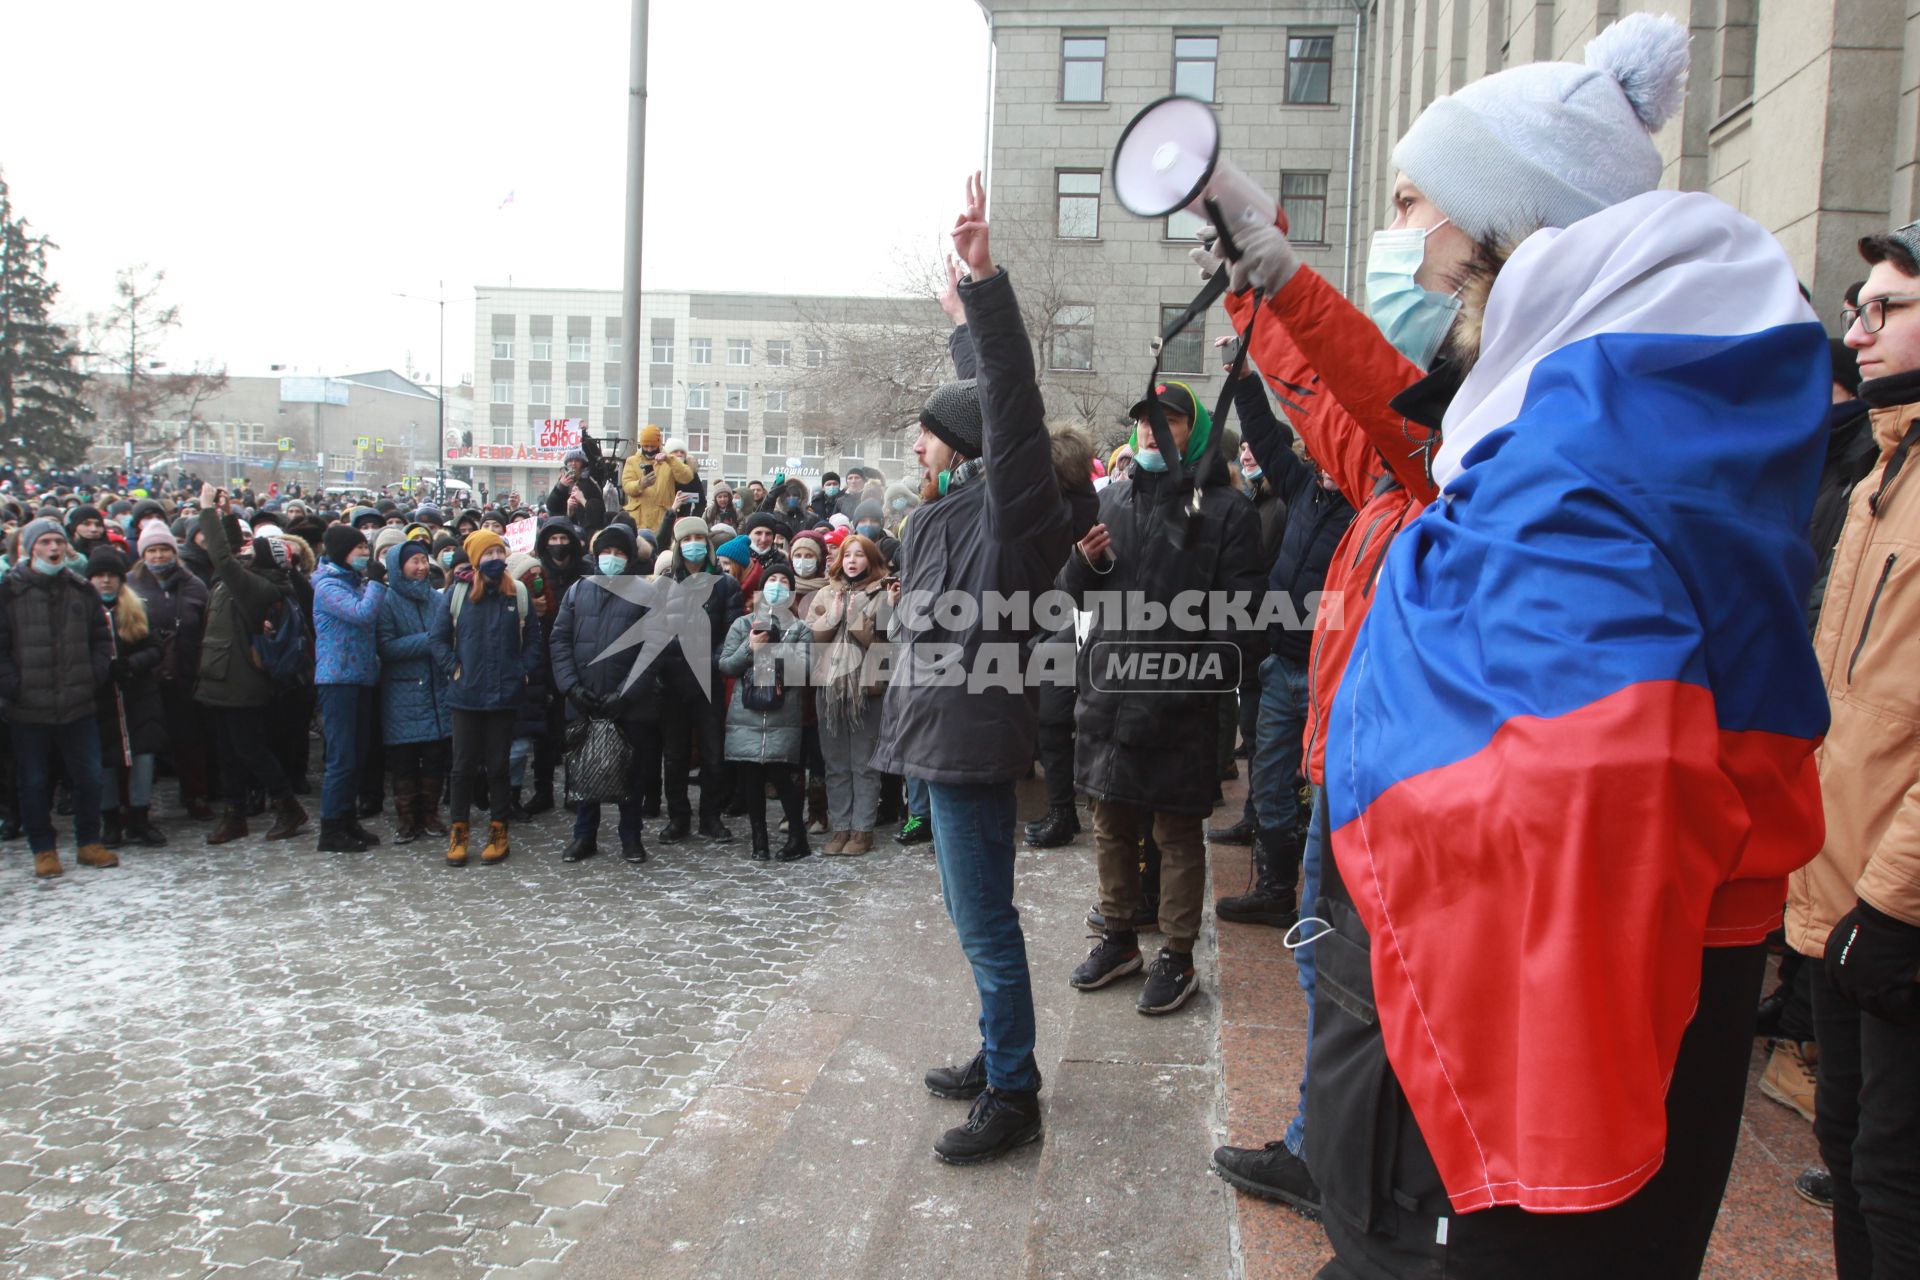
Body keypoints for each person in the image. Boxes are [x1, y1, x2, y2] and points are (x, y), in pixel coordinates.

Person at [1214, 16, 1827, 1273]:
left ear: (1510, 228)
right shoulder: (1610, 425)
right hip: (1528, 1100)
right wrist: (1265, 280)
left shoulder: (1578, 473)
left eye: (1409, 205)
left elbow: (1575, 824)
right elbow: (1368, 411)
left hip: (1501, 1137)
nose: (1397, 241)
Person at [871, 175, 1092, 1164]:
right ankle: (997, 1048)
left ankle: (1015, 1089)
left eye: (927, 427)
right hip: (934, 739)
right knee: (970, 917)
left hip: (968, 743)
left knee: (988, 922)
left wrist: (989, 289)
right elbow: (980, 400)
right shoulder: (943, 512)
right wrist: (962, 317)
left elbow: (1007, 400)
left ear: (961, 447)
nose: (915, 440)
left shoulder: (1012, 512)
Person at [1785, 220, 1920, 1280]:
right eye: (1857, 309)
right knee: (1849, 1146)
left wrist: (1892, 899)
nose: (1859, 330)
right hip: (1839, 884)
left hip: (1894, 903)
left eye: (1887, 309)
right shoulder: (1883, 469)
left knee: (1892, 1168)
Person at [1059, 379, 1264, 1014]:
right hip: (1108, 698)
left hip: (1178, 706)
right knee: (1111, 826)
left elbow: (1244, 618)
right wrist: (1081, 567)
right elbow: (1074, 598)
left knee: (1176, 834)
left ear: (1194, 433)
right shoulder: (1112, 500)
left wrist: (1189, 680)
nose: (1151, 431)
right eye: (1145, 421)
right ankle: (1119, 937)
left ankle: (1177, 954)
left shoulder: (1227, 511)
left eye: (1168, 422)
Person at [1211, 362, 1352, 925]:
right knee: (1268, 780)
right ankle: (1274, 890)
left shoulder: (1366, 506)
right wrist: (1245, 381)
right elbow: (1268, 439)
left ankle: (1328, 901)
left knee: (1323, 793)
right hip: (1281, 668)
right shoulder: (1302, 490)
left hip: (1330, 678)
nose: (1320, 457)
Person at [191, 492, 309, 845]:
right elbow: (229, 553)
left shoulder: (259, 587)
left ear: (260, 562)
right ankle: (235, 815)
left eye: (249, 552)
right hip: (222, 677)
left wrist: (206, 512)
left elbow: (222, 559)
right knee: (229, 752)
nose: (242, 552)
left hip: (241, 681)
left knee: (251, 750)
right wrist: (227, 514)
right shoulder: (252, 576)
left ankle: (288, 807)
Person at [1, 517, 116, 877]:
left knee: (89, 777)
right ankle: (43, 848)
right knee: (34, 782)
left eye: (58, 542)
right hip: (28, 707)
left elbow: (101, 639)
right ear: (28, 547)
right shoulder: (8, 591)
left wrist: (94, 674)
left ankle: (88, 841)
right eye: (45, 542)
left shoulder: (82, 589)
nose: (53, 549)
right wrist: (12, 684)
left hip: (78, 703)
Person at [431, 529, 546, 866]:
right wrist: (454, 668)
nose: (495, 559)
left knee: (499, 766)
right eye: (489, 554)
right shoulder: (457, 593)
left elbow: (534, 641)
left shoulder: (518, 593)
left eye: (499, 553)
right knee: (463, 767)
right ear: (476, 558)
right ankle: (459, 830)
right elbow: (437, 639)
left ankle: (499, 830)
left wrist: (521, 670)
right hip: (465, 694)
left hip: (504, 694)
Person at [551, 524, 660, 864]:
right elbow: (560, 641)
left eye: (619, 553)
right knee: (585, 770)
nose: (612, 559)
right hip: (584, 697)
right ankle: (584, 836)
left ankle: (631, 837)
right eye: (606, 553)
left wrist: (625, 694)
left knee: (632, 773)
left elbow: (653, 649)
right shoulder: (578, 591)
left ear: (629, 558)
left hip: (629, 704)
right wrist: (571, 687)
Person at [650, 516, 743, 842]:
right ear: (677, 545)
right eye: (686, 538)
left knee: (713, 754)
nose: (693, 544)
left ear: (708, 544)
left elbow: (731, 633)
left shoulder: (725, 586)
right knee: (674, 756)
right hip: (671, 683)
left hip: (708, 682)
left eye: (699, 538)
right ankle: (678, 817)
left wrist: (708, 661)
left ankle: (710, 817)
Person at [716, 559, 812, 861]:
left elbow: (806, 669)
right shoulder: (743, 625)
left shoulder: (799, 628)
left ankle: (798, 837)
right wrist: (750, 648)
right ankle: (759, 840)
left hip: (783, 716)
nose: (778, 587)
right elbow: (726, 664)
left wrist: (772, 649)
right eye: (772, 581)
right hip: (746, 716)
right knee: (751, 781)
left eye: (785, 582)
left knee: (784, 779)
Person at [805, 533, 891, 855]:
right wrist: (833, 616)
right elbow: (813, 639)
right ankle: (841, 828)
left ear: (871, 560)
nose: (853, 560)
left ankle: (862, 830)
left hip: (866, 690)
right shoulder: (825, 594)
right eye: (848, 555)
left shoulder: (883, 595)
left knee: (864, 764)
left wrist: (856, 621)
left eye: (860, 555)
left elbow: (887, 648)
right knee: (836, 762)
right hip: (830, 688)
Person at [126, 519, 212, 820]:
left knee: (189, 739)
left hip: (185, 673)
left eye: (164, 549)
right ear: (143, 554)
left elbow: (206, 627)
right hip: (143, 677)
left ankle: (195, 795)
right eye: (152, 550)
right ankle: (137, 806)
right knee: (144, 744)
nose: (159, 556)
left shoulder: (194, 585)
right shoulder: (130, 585)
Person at [312, 523, 389, 852]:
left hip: (360, 676)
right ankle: (331, 827)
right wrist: (375, 582)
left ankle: (347, 819)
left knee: (357, 754)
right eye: (358, 548)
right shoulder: (328, 585)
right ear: (343, 551)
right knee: (342, 757)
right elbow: (363, 613)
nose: (364, 553)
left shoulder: (352, 581)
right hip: (337, 679)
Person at [88, 548, 169, 848]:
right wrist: (100, 669)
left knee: (143, 758)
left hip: (138, 695)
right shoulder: (83, 610)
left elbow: (155, 648)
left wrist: (131, 665)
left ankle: (139, 817)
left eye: (111, 575)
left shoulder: (135, 607)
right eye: (99, 576)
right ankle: (110, 821)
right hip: (100, 698)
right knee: (105, 762)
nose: (106, 581)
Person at [375, 538, 452, 842]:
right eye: (413, 562)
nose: (420, 568)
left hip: (436, 691)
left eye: (423, 560)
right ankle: (407, 820)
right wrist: (429, 640)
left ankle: (430, 815)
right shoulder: (386, 601)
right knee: (404, 761)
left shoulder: (437, 599)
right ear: (398, 566)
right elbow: (386, 647)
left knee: (435, 757)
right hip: (402, 693)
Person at [621, 424, 693, 532]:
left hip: (661, 521)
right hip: (638, 521)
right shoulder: (632, 461)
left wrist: (669, 459)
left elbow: (686, 477)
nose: (649, 450)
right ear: (641, 445)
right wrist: (641, 484)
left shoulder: (669, 461)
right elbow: (627, 486)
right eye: (646, 446)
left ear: (659, 445)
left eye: (652, 446)